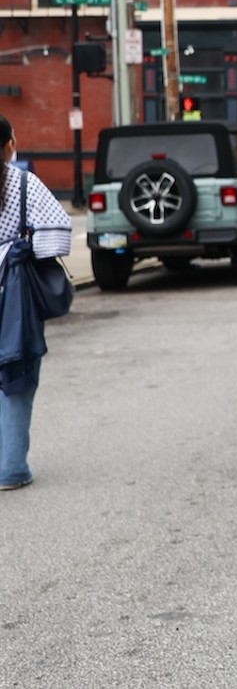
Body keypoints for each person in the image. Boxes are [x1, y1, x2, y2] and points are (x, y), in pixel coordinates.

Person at [0, 118, 72, 491]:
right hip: (12, 295)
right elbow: (57, 237)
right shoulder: (24, 183)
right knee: (17, 374)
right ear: (10, 144)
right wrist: (22, 250)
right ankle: (10, 469)